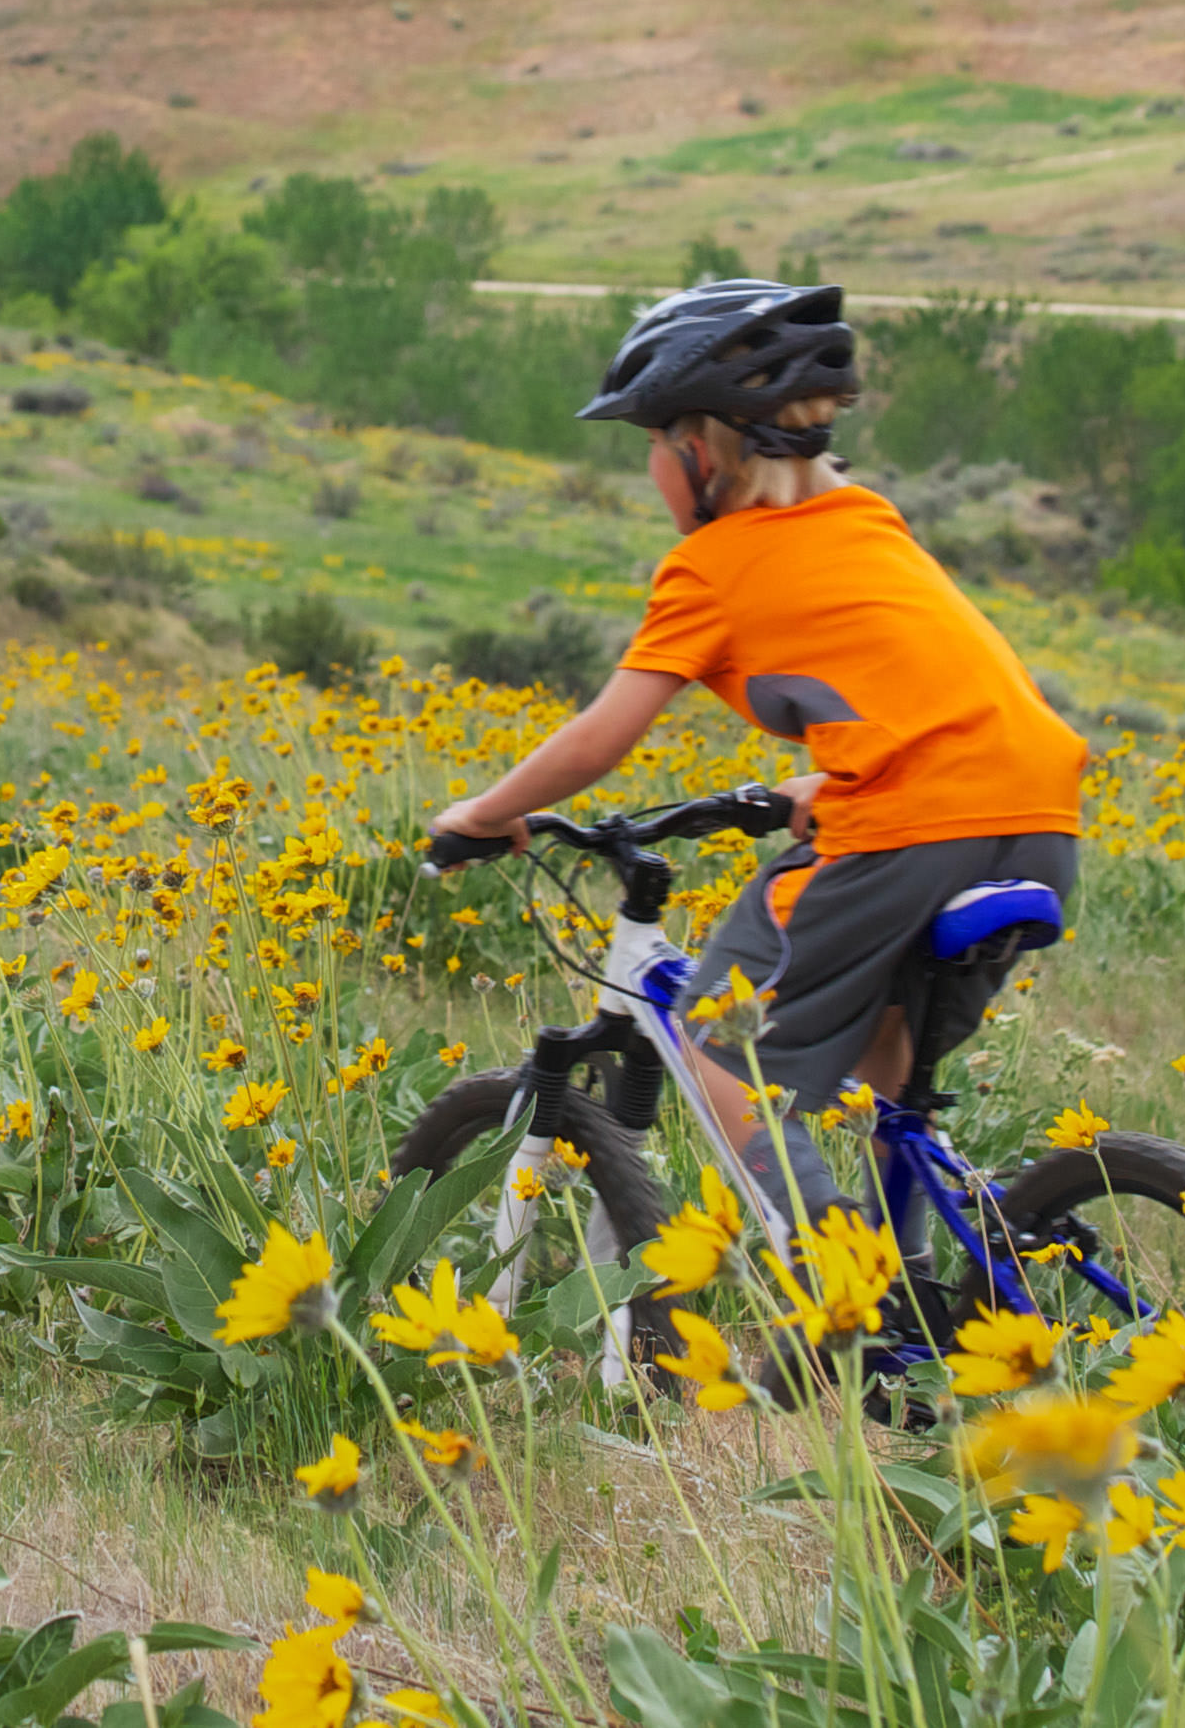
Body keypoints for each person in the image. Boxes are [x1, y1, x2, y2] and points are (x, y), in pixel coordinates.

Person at [424, 277, 1088, 1236]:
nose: (652, 466)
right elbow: (921, 675)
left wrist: (484, 812)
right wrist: (841, 766)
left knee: (712, 1042)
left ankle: (835, 1273)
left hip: (910, 829)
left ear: (704, 444)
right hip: (1038, 819)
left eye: (653, 444)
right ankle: (917, 1314)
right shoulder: (866, 516)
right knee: (884, 1069)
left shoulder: (712, 565)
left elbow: (604, 734)